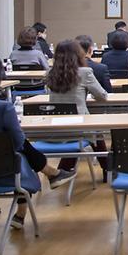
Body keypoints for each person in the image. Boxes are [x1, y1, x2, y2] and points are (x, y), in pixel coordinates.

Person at [0, 57, 76, 229]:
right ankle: (39, 188)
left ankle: (48, 178)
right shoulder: (2, 108)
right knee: (18, 155)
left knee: (16, 153)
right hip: (3, 172)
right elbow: (18, 142)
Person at [47, 40, 109, 175]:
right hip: (78, 126)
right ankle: (107, 168)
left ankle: (62, 171)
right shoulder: (85, 72)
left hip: (54, 126)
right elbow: (103, 96)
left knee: (89, 131)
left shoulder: (51, 73)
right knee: (95, 131)